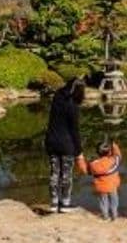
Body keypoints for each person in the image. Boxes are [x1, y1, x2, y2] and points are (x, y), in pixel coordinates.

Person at [44, 78, 85, 213]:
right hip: (66, 144)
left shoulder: (57, 99)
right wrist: (79, 153)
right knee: (66, 175)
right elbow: (75, 132)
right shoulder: (72, 106)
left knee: (54, 173)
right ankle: (65, 204)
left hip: (51, 142)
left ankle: (54, 203)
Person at [77, 140, 121, 221]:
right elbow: (118, 155)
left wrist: (80, 158)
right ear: (109, 152)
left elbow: (85, 170)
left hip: (101, 187)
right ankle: (114, 216)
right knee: (114, 201)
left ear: (97, 153)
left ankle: (105, 216)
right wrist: (114, 145)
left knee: (103, 202)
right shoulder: (113, 161)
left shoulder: (94, 165)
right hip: (113, 186)